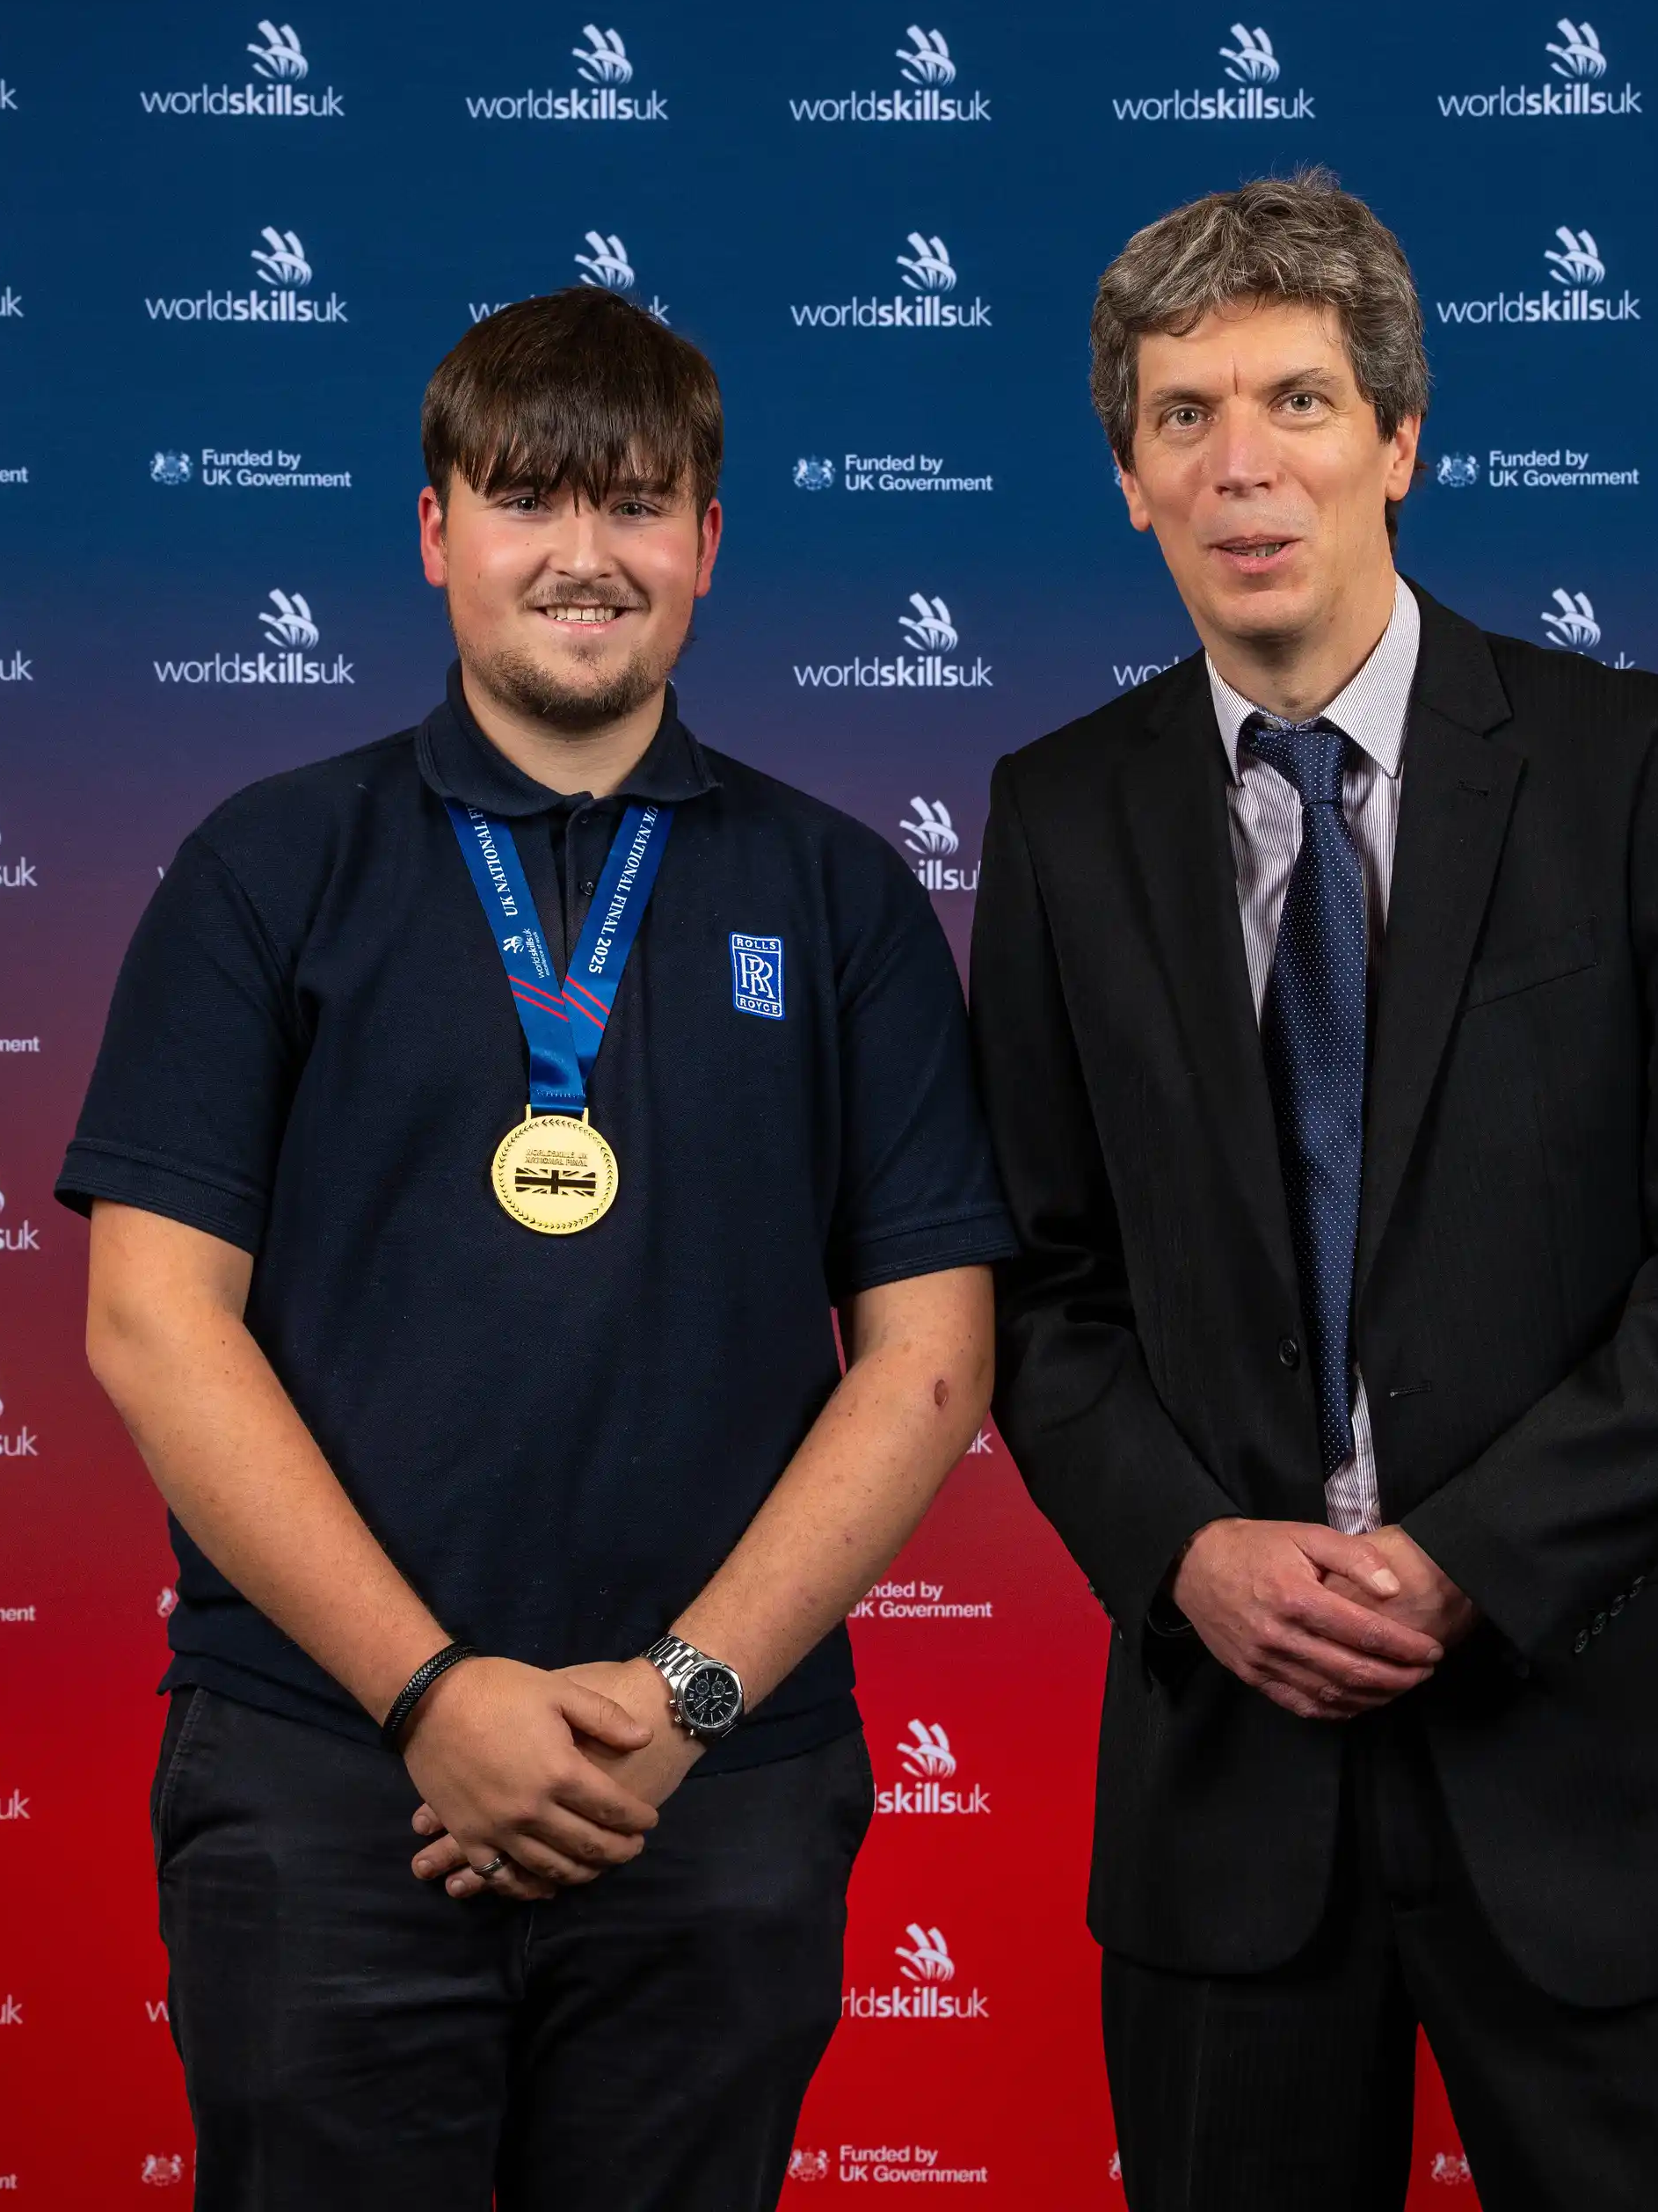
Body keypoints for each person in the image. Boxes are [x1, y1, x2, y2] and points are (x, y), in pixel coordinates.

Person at [62, 285, 1014, 2211]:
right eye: (525, 499)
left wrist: (680, 1701)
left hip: (716, 1789)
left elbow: (928, 1360)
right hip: (329, 1780)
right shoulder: (268, 865)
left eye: (637, 504)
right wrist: (432, 1695)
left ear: (709, 545)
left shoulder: (840, 893)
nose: (584, 556)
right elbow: (156, 1323)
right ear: (434, 533)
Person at [967, 171, 1658, 2209]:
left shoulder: (1641, 764)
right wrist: (1187, 1547)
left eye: (1293, 397)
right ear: (1126, 477)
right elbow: (1032, 1275)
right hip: (1230, 1778)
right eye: (1181, 414)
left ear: (1400, 438)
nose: (1241, 461)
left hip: (1604, 1749)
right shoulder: (1060, 815)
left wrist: (1470, 1551)